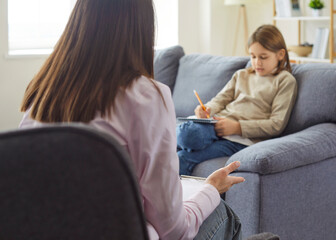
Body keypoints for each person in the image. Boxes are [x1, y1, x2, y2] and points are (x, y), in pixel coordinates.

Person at [18, 0, 246, 239]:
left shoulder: (42, 94)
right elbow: (174, 230)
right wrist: (210, 190)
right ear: (141, 29)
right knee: (224, 213)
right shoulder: (145, 96)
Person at [177, 24, 298, 176]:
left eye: (263, 57)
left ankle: (177, 199)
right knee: (182, 134)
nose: (257, 62)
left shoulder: (284, 81)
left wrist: (237, 127)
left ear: (280, 54)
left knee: (182, 155)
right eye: (253, 56)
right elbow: (220, 99)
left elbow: (276, 125)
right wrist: (208, 108)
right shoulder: (241, 75)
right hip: (215, 125)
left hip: (240, 140)